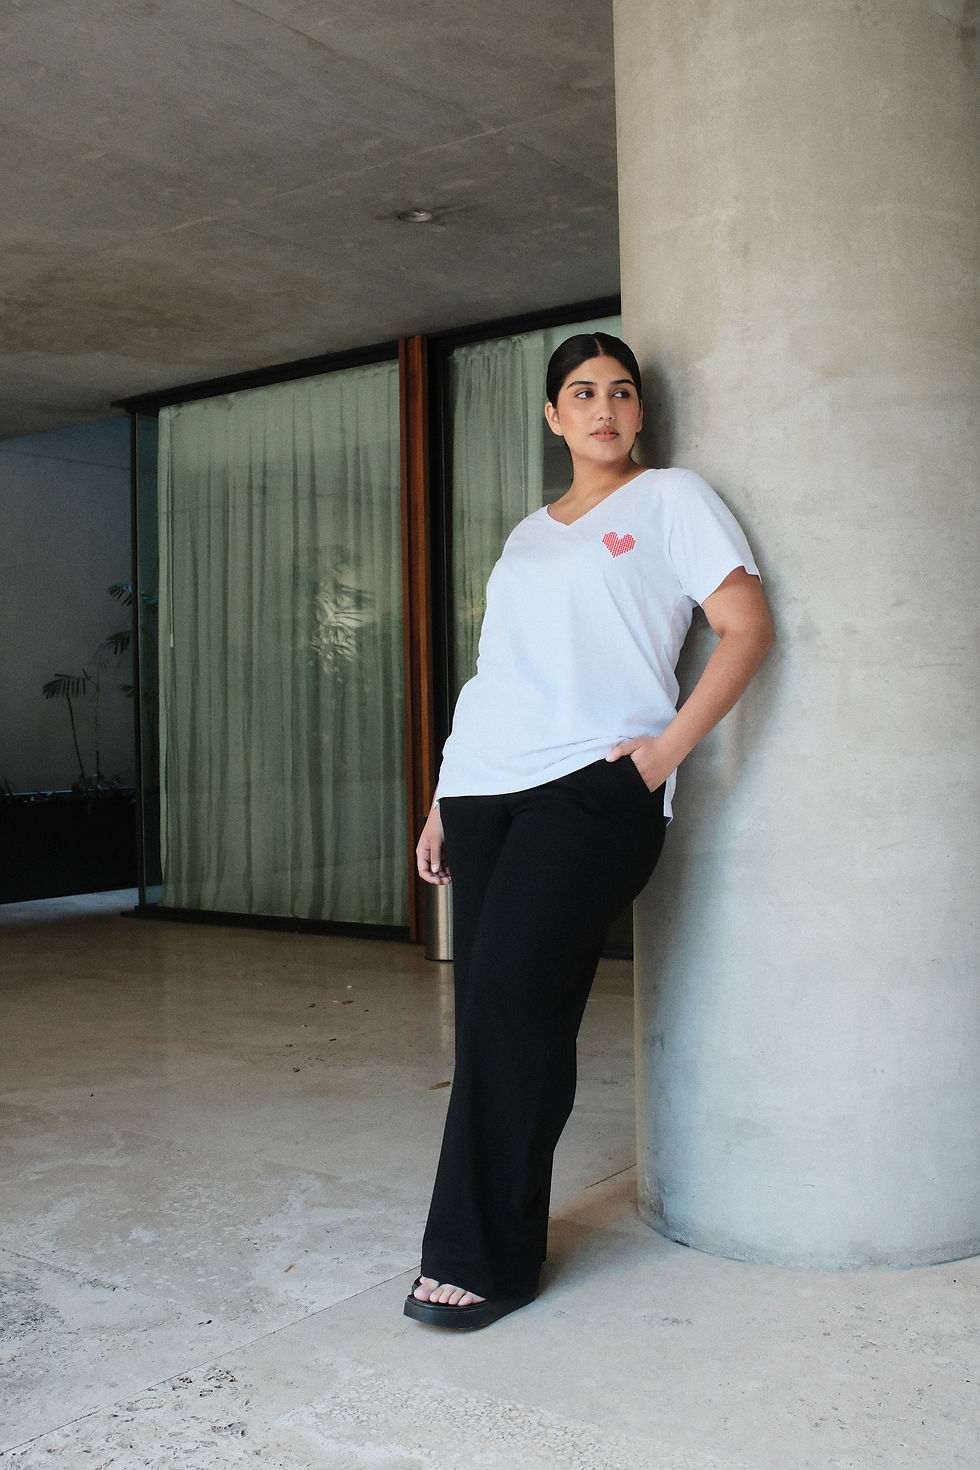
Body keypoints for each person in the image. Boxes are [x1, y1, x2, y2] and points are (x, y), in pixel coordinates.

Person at [403, 333, 773, 1331]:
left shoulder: (672, 500)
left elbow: (746, 628)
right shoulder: (527, 536)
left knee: (511, 1007)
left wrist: (660, 756)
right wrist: (443, 795)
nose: (602, 407)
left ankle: (477, 1257)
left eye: (620, 391)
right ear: (552, 416)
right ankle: (498, 1244)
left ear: (640, 412)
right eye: (580, 392)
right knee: (497, 1016)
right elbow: (496, 676)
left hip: (591, 791)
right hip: (486, 789)